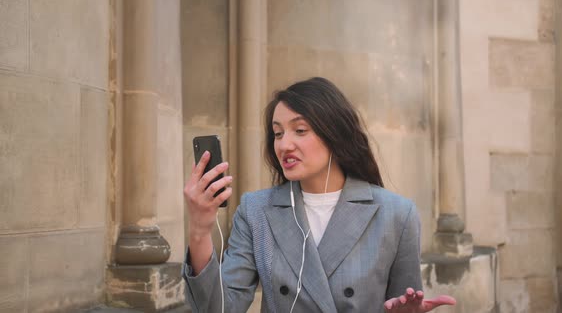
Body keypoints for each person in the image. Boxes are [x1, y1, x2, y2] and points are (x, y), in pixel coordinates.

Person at [183, 77, 456, 312]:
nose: (284, 144)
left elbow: (405, 303)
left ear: (334, 133)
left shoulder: (397, 214)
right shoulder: (256, 211)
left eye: (300, 130)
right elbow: (218, 309)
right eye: (277, 133)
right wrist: (199, 230)